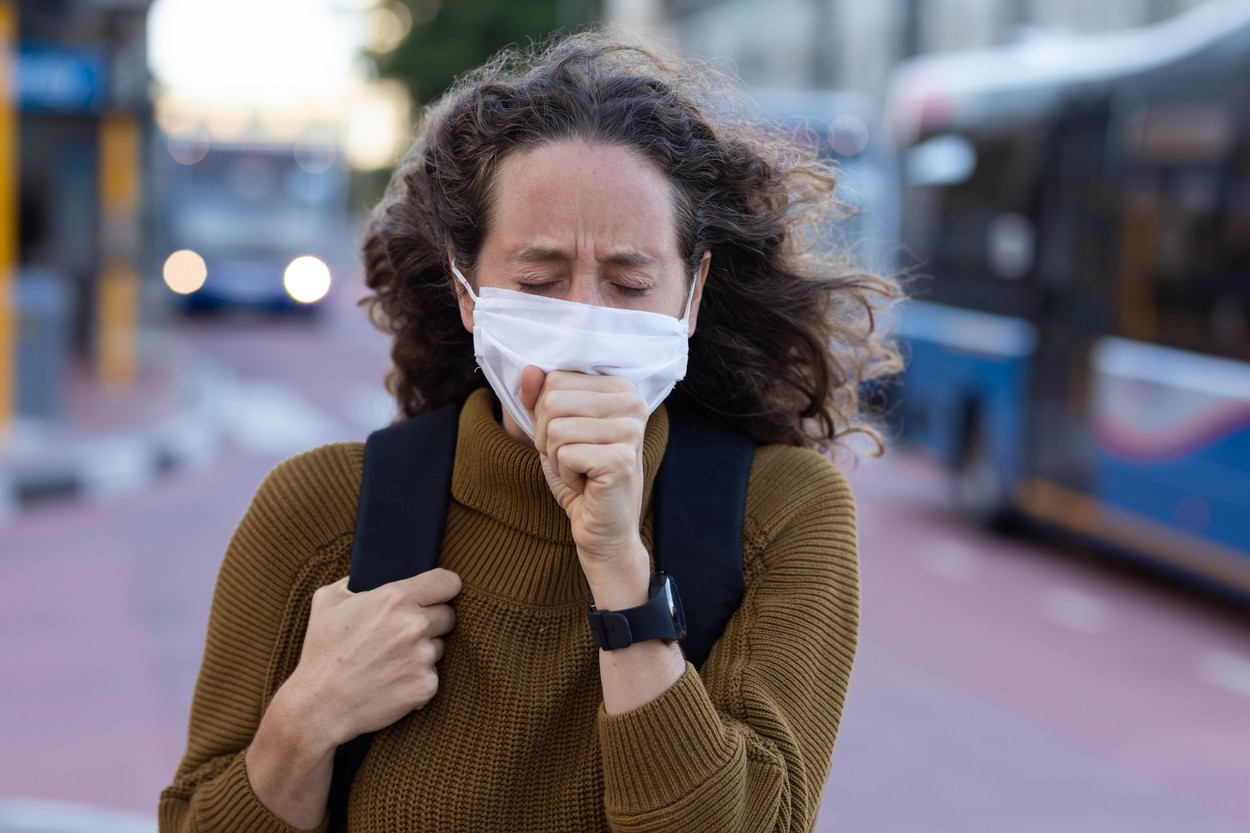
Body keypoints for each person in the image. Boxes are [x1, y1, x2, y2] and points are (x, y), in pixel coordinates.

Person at [160, 30, 901, 833]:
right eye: (540, 281)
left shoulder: (780, 514)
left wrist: (619, 567)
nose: (584, 319)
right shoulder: (323, 509)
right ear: (469, 289)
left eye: (629, 282)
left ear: (692, 296)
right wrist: (307, 717)